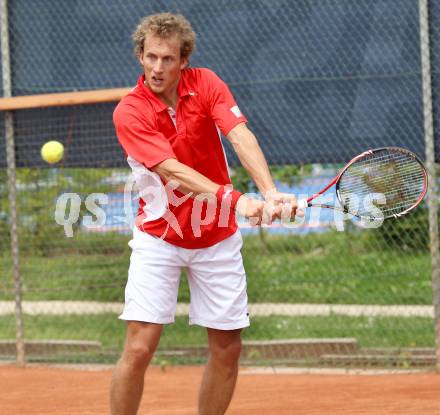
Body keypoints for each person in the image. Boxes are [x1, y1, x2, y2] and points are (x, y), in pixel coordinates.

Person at [110, 12, 299, 415]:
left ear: (184, 60)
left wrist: (270, 192)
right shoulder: (130, 111)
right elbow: (171, 170)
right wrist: (237, 200)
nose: (158, 67)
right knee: (140, 347)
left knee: (228, 348)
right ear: (140, 56)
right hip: (158, 238)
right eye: (151, 57)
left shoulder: (207, 83)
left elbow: (239, 134)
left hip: (216, 239)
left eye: (168, 59)